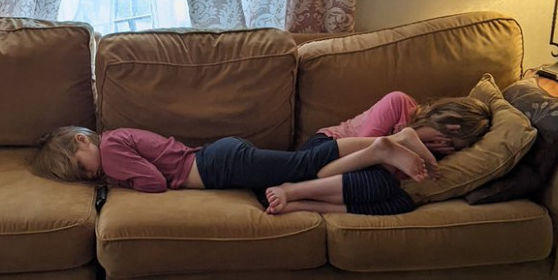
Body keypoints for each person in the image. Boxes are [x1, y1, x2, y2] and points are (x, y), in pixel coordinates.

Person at [32, 126, 439, 204]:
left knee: (304, 164)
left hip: (218, 167)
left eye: (81, 167)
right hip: (220, 159)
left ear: (82, 140)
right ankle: (386, 147)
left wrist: (120, 182)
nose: (89, 175)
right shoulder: (116, 141)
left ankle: (386, 145)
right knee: (304, 166)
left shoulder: (111, 148)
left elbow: (154, 183)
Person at [265, 97, 491, 215]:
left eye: (453, 149)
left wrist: (418, 149)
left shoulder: (432, 154)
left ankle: (301, 203)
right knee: (378, 175)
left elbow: (386, 183)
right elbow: (358, 159)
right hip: (327, 150)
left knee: (399, 200)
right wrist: (406, 140)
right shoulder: (399, 104)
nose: (444, 148)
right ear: (450, 126)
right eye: (449, 142)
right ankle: (292, 191)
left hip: (339, 179)